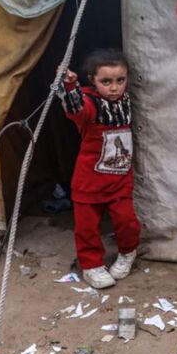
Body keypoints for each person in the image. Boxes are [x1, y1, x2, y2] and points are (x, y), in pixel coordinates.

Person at [58, 48, 142, 289]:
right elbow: (75, 109)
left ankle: (127, 253)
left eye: (120, 80)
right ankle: (91, 265)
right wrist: (69, 86)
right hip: (89, 180)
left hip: (120, 179)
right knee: (87, 228)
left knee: (127, 222)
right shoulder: (90, 103)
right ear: (92, 81)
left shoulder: (126, 101)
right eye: (106, 82)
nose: (114, 88)